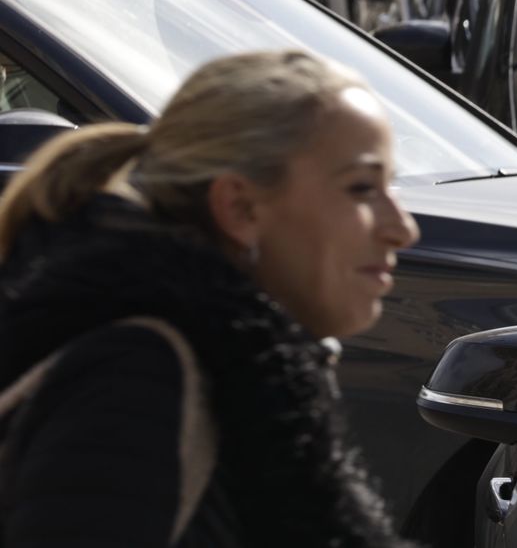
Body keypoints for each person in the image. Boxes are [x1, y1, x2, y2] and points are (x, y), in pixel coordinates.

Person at [0, 51, 421, 546]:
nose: (403, 229)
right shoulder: (137, 380)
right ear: (240, 206)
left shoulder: (239, 370)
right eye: (362, 188)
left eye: (390, 185)